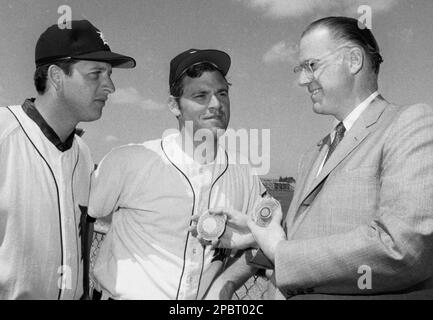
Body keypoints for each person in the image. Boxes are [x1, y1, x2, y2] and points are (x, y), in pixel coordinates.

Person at [209, 16, 433, 300]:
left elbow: (403, 247)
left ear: (353, 60)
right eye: (300, 68)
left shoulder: (410, 123)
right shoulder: (314, 153)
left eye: (311, 65)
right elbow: (302, 239)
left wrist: (280, 252)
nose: (302, 80)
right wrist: (256, 234)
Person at [87, 48, 266, 300]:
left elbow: (269, 242)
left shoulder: (244, 174)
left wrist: (225, 283)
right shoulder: (129, 160)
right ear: (174, 105)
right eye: (201, 95)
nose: (216, 104)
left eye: (222, 93)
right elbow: (83, 218)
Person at [0, 20, 136, 299]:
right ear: (56, 77)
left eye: (109, 74)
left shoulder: (83, 154)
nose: (109, 86)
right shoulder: (4, 133)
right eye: (96, 73)